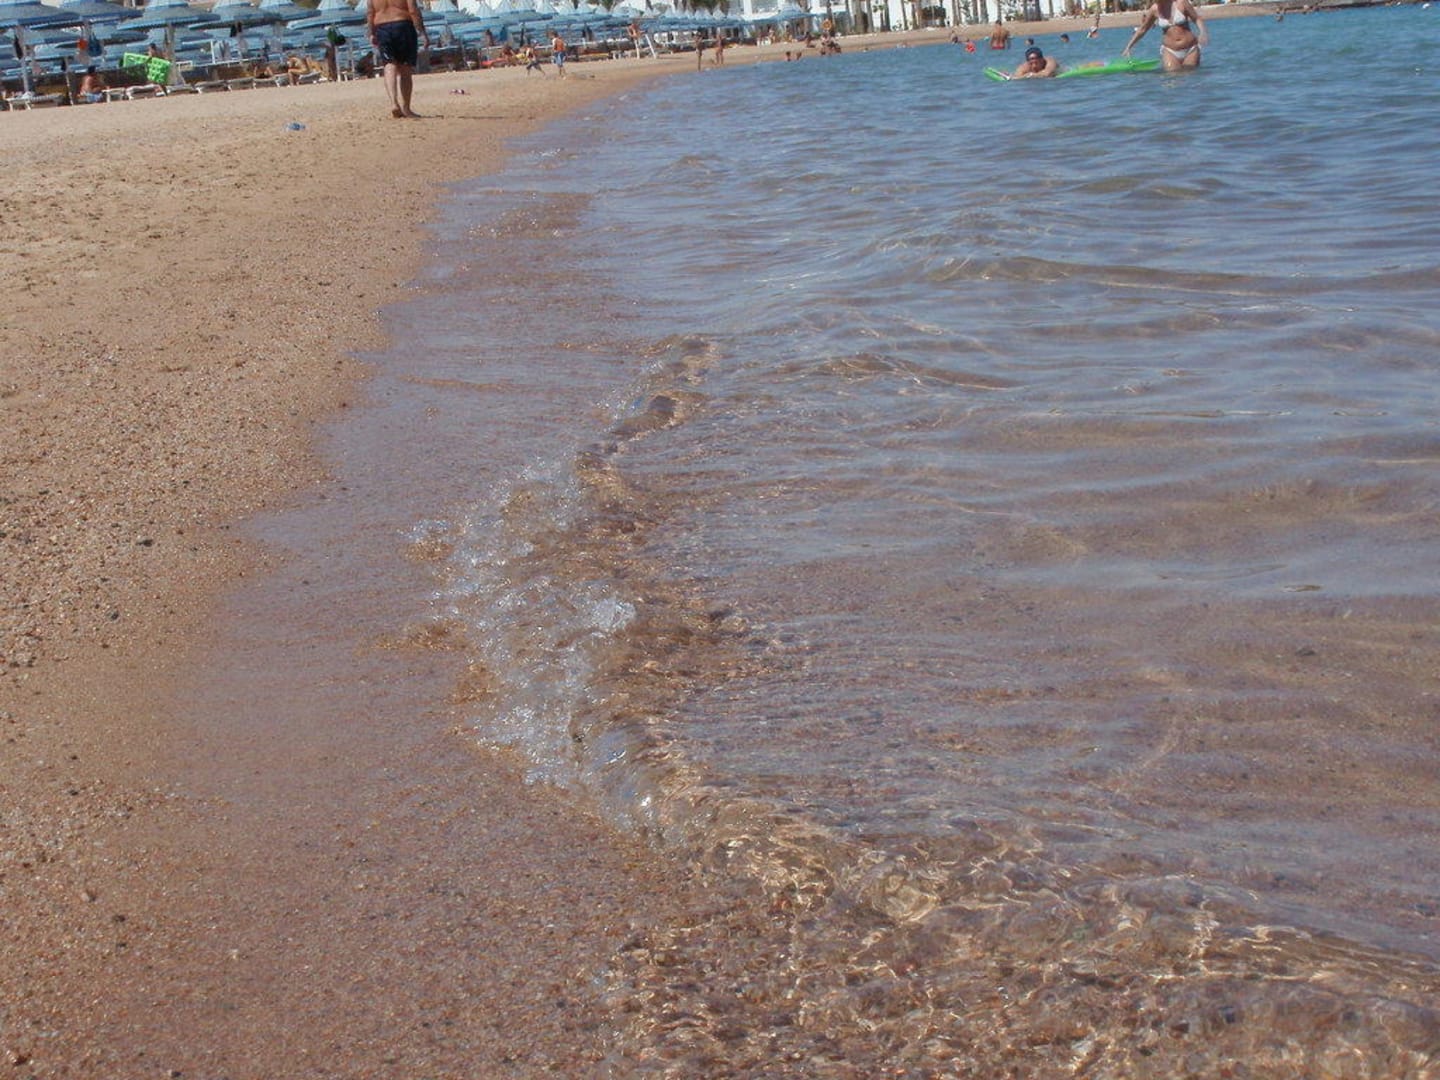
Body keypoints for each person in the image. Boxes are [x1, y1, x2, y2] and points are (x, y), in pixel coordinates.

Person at [367, 0, 429, 118]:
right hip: (403, 25)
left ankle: (394, 103)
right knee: (405, 68)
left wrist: (371, 33)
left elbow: (370, 12)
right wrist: (422, 32)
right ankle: (406, 108)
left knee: (389, 65)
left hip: (382, 28)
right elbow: (413, 10)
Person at [1123, 0, 1207, 70]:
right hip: (1170, 51)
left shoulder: (1182, 3)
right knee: (1171, 77)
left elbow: (1197, 19)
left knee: (1190, 75)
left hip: (1190, 49)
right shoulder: (1154, 9)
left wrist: (1202, 33)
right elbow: (1143, 29)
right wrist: (1129, 47)